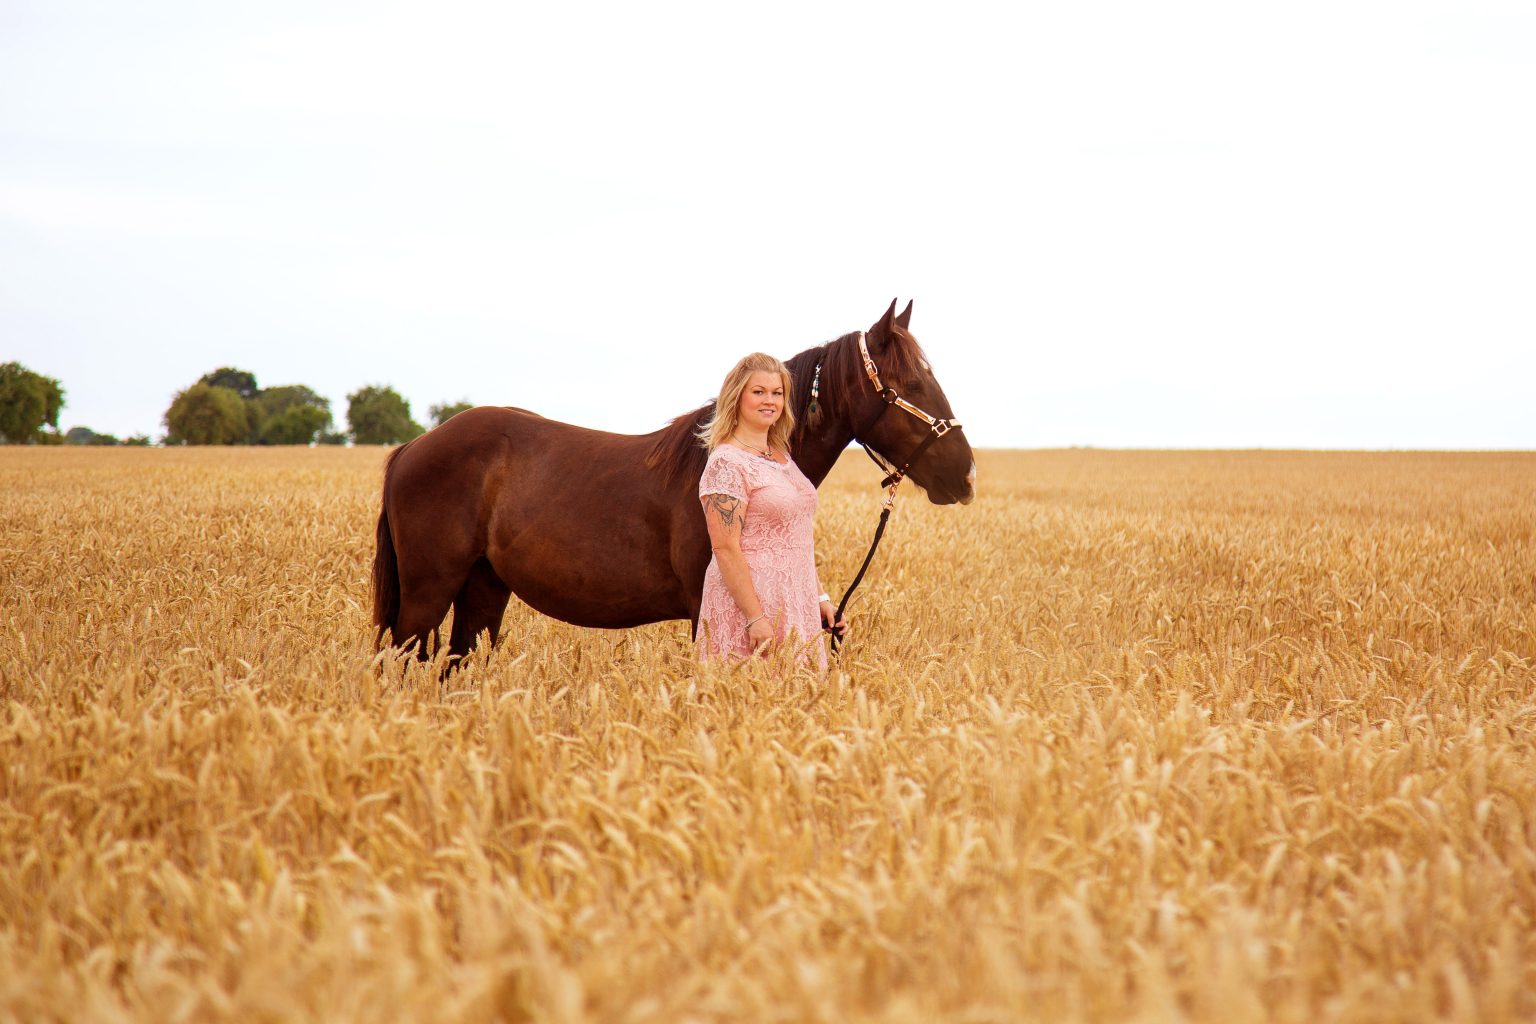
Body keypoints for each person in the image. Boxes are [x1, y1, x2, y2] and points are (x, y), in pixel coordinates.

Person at [696, 352, 848, 669]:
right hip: (751, 606)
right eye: (759, 392)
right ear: (737, 397)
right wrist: (754, 617)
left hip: (796, 602)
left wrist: (819, 598)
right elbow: (725, 547)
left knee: (799, 706)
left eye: (777, 393)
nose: (770, 401)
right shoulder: (727, 462)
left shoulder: (781, 456)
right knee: (746, 704)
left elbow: (796, 536)